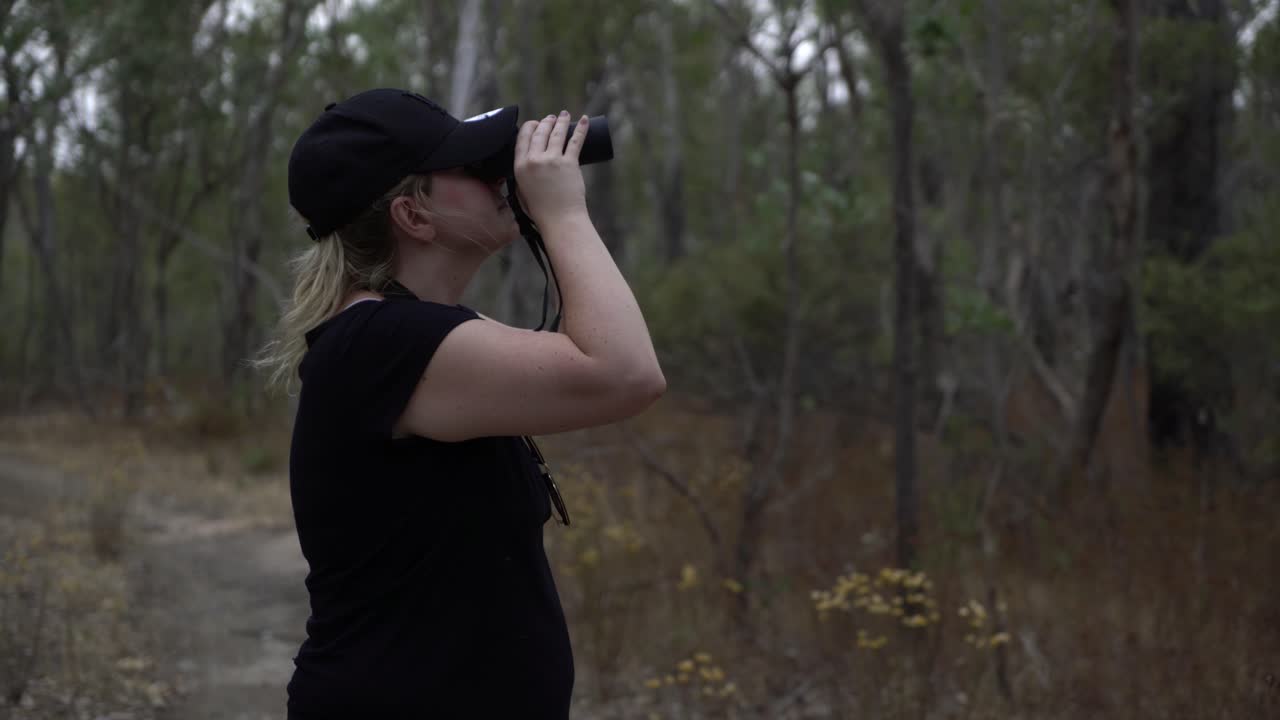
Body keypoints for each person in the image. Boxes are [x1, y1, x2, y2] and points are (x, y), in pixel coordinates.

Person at [252, 88, 666, 719]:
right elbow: (626, 372)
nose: (502, 177)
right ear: (413, 216)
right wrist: (563, 214)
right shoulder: (383, 342)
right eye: (476, 167)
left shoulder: (410, 335)